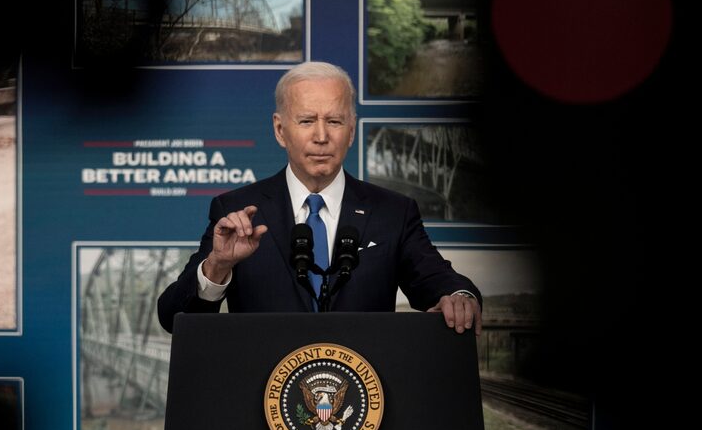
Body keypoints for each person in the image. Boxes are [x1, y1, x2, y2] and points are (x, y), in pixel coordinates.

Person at [157, 61, 482, 334]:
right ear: (280, 130)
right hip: (263, 397)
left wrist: (458, 295)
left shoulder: (393, 212)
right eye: (307, 121)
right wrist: (217, 267)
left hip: (365, 398)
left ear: (352, 130)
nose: (322, 136)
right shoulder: (236, 211)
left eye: (334, 121)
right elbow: (174, 317)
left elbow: (438, 278)